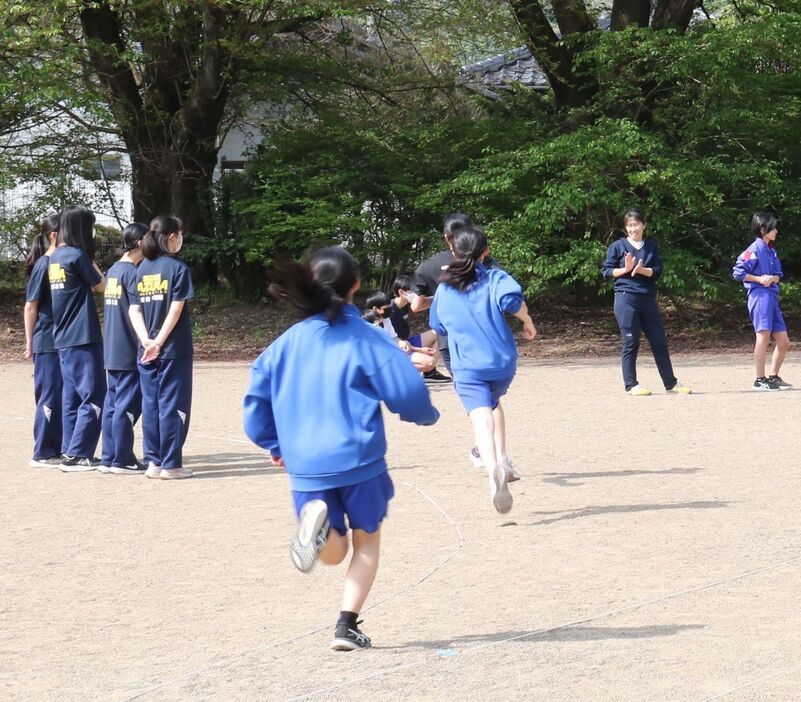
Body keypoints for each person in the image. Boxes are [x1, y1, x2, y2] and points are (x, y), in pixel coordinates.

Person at [243, 247, 439, 652]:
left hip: (306, 465)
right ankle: (346, 624)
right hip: (360, 459)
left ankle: (319, 528)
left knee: (333, 552)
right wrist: (425, 414)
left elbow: (256, 405)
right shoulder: (368, 337)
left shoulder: (284, 344)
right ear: (356, 286)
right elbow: (405, 390)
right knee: (366, 540)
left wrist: (273, 443)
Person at [429, 225, 536, 514]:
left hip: (468, 367)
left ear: (453, 251)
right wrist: (527, 321)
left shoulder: (444, 288)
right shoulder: (496, 277)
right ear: (485, 252)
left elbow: (437, 326)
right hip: (502, 364)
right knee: (493, 401)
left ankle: (494, 472)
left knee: (481, 419)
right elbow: (514, 303)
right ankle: (500, 461)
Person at [128, 215, 194, 480]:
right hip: (172, 349)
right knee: (172, 403)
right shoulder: (178, 269)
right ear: (171, 237)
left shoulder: (141, 269)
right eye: (181, 234)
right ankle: (171, 464)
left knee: (152, 403)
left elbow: (134, 310)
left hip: (145, 351)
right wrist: (158, 342)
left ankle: (154, 461)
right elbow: (176, 309)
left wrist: (146, 340)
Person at [601, 209, 692, 397]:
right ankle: (631, 384)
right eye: (629, 225)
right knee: (630, 341)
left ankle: (671, 383)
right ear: (626, 228)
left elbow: (657, 271)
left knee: (659, 341)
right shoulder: (618, 246)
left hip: (647, 299)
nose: (633, 228)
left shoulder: (651, 246)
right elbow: (607, 272)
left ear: (644, 225)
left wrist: (642, 270)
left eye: (636, 224)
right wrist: (625, 269)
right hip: (626, 298)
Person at [49, 205, 107, 471]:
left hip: (62, 336)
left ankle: (69, 450)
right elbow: (102, 286)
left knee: (72, 398)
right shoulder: (76, 256)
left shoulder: (55, 257)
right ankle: (79, 452)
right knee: (94, 394)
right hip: (82, 335)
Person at [99, 223, 148, 474]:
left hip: (111, 346)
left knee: (112, 403)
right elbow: (136, 311)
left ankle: (108, 456)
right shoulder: (132, 273)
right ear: (140, 242)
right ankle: (123, 457)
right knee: (127, 404)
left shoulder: (114, 269)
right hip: (128, 346)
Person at [732, 212, 791, 390]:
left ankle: (773, 377)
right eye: (773, 228)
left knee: (784, 342)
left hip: (772, 296)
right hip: (759, 296)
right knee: (763, 337)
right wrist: (759, 279)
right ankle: (759, 379)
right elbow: (738, 273)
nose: (776, 231)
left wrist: (772, 278)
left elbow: (779, 275)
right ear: (763, 229)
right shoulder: (754, 249)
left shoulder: (771, 250)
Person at [23, 214, 63, 467]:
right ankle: (43, 451)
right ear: (54, 236)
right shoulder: (43, 265)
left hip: (62, 340)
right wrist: (29, 343)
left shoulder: (64, 262)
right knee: (48, 395)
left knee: (62, 396)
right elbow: (30, 307)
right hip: (46, 341)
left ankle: (58, 447)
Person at [389, 274, 450, 383]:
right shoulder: (389, 310)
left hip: (408, 342)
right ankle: (399, 372)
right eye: (412, 291)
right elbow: (392, 340)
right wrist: (419, 350)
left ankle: (429, 373)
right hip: (398, 347)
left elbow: (424, 302)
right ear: (401, 292)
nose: (416, 295)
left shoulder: (404, 306)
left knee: (441, 333)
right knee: (429, 361)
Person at [364, 290, 438, 375]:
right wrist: (418, 349)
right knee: (429, 362)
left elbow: (394, 338)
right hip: (384, 359)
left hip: (394, 353)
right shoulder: (369, 326)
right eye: (386, 306)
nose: (389, 307)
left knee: (430, 362)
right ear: (376, 309)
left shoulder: (386, 320)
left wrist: (404, 343)